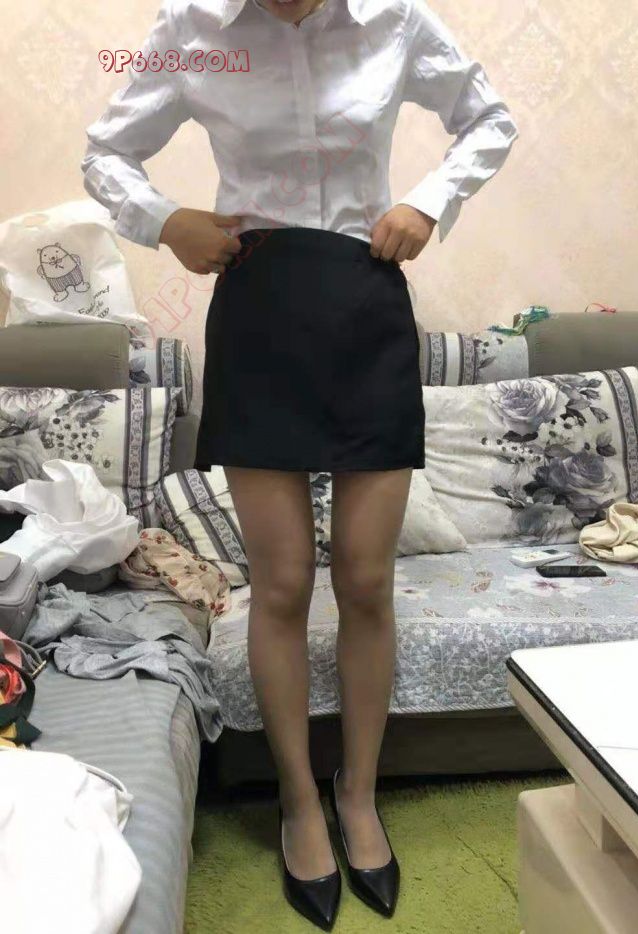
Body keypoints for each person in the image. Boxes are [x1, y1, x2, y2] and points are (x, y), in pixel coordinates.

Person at [81, 0, 518, 928]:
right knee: (280, 586)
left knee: (365, 580)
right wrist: (165, 220)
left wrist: (428, 202)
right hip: (259, 308)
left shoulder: (393, 19)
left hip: (366, 305)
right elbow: (106, 153)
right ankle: (298, 801)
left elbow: (489, 117)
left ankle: (358, 794)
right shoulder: (196, 28)